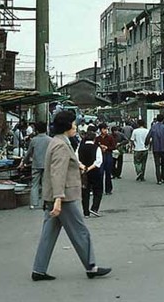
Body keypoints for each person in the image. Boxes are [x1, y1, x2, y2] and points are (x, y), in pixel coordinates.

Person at [31, 110, 111, 281]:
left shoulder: (58, 141)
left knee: (48, 234)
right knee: (81, 232)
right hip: (64, 197)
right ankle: (91, 266)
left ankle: (39, 269)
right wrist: (58, 199)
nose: (75, 127)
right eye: (73, 124)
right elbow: (57, 173)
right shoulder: (61, 145)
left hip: (55, 196)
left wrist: (79, 166)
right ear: (67, 126)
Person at [18, 122, 52, 209]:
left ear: (36, 130)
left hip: (36, 164)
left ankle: (33, 203)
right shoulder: (50, 140)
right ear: (46, 129)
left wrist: (23, 162)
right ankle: (46, 202)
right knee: (45, 184)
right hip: (47, 165)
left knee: (34, 184)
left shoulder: (34, 140)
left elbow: (28, 153)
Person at [78, 131, 103, 218]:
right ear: (94, 139)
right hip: (95, 172)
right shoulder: (97, 148)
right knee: (98, 190)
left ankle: (86, 212)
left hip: (83, 172)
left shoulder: (80, 148)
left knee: (85, 192)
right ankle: (94, 208)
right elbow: (98, 161)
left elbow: (76, 160)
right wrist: (90, 168)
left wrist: (83, 167)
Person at [145, 114, 164, 185]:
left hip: (155, 148)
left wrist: (146, 143)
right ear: (163, 119)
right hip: (163, 147)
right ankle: (163, 177)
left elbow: (148, 136)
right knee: (163, 163)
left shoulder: (153, 127)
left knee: (157, 164)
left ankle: (158, 179)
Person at [95, 124, 116, 195]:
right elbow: (95, 146)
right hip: (100, 156)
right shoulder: (97, 138)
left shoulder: (110, 137)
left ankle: (108, 189)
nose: (105, 131)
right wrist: (100, 147)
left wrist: (107, 147)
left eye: (106, 129)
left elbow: (114, 146)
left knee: (108, 173)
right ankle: (99, 190)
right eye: (104, 129)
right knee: (100, 173)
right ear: (100, 130)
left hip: (108, 155)